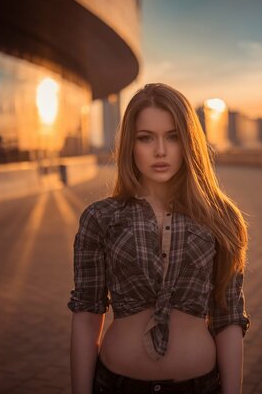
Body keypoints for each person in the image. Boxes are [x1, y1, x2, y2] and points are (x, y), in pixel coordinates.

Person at [68, 83, 250, 394]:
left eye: (173, 137)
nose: (160, 151)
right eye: (146, 138)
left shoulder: (221, 217)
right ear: (130, 144)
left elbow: (228, 319)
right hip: (117, 385)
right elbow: (87, 315)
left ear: (189, 142)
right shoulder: (100, 218)